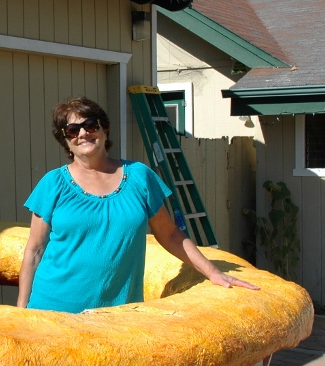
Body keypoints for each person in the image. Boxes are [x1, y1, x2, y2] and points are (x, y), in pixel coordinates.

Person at [16, 96, 258, 313]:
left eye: (90, 125)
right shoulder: (53, 183)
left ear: (104, 130)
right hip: (54, 311)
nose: (83, 134)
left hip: (119, 314)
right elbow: (35, 249)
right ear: (65, 140)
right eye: (72, 130)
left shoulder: (140, 176)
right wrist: (21, 311)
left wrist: (213, 272)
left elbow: (171, 234)